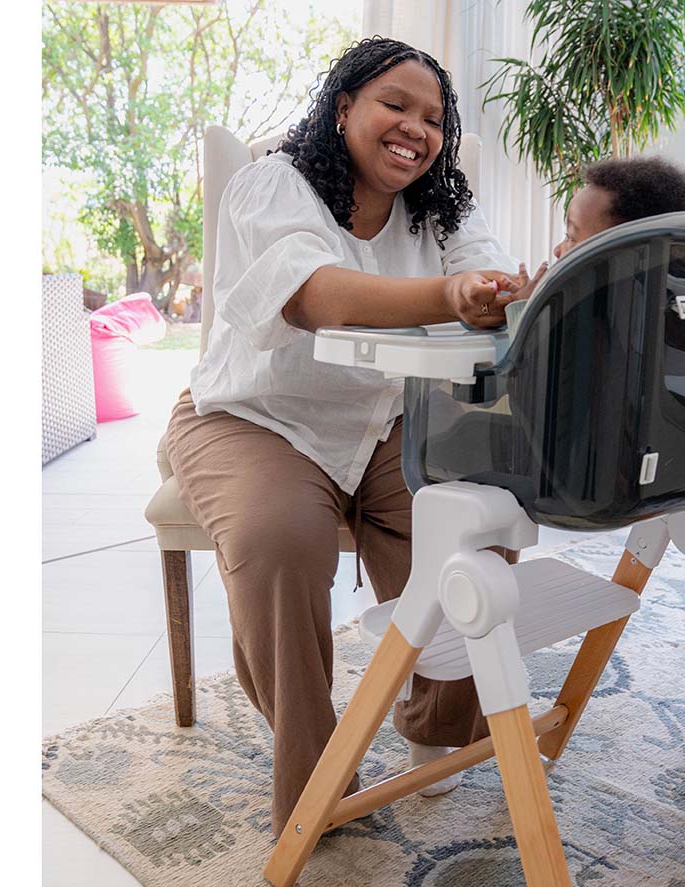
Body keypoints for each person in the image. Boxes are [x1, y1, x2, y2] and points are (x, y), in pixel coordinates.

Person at [165, 37, 521, 836]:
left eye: (434, 118)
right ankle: (320, 767)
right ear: (344, 109)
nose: (415, 129)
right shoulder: (271, 186)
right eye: (396, 104)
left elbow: (487, 274)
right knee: (280, 538)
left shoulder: (444, 209)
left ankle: (437, 727)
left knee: (482, 522)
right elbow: (316, 296)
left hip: (387, 418)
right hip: (252, 416)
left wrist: (503, 288)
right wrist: (452, 292)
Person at [503, 156, 685, 334]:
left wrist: (526, 306)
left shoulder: (582, 322)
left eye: (571, 236)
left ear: (629, 255)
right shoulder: (680, 307)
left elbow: (524, 366)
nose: (557, 250)